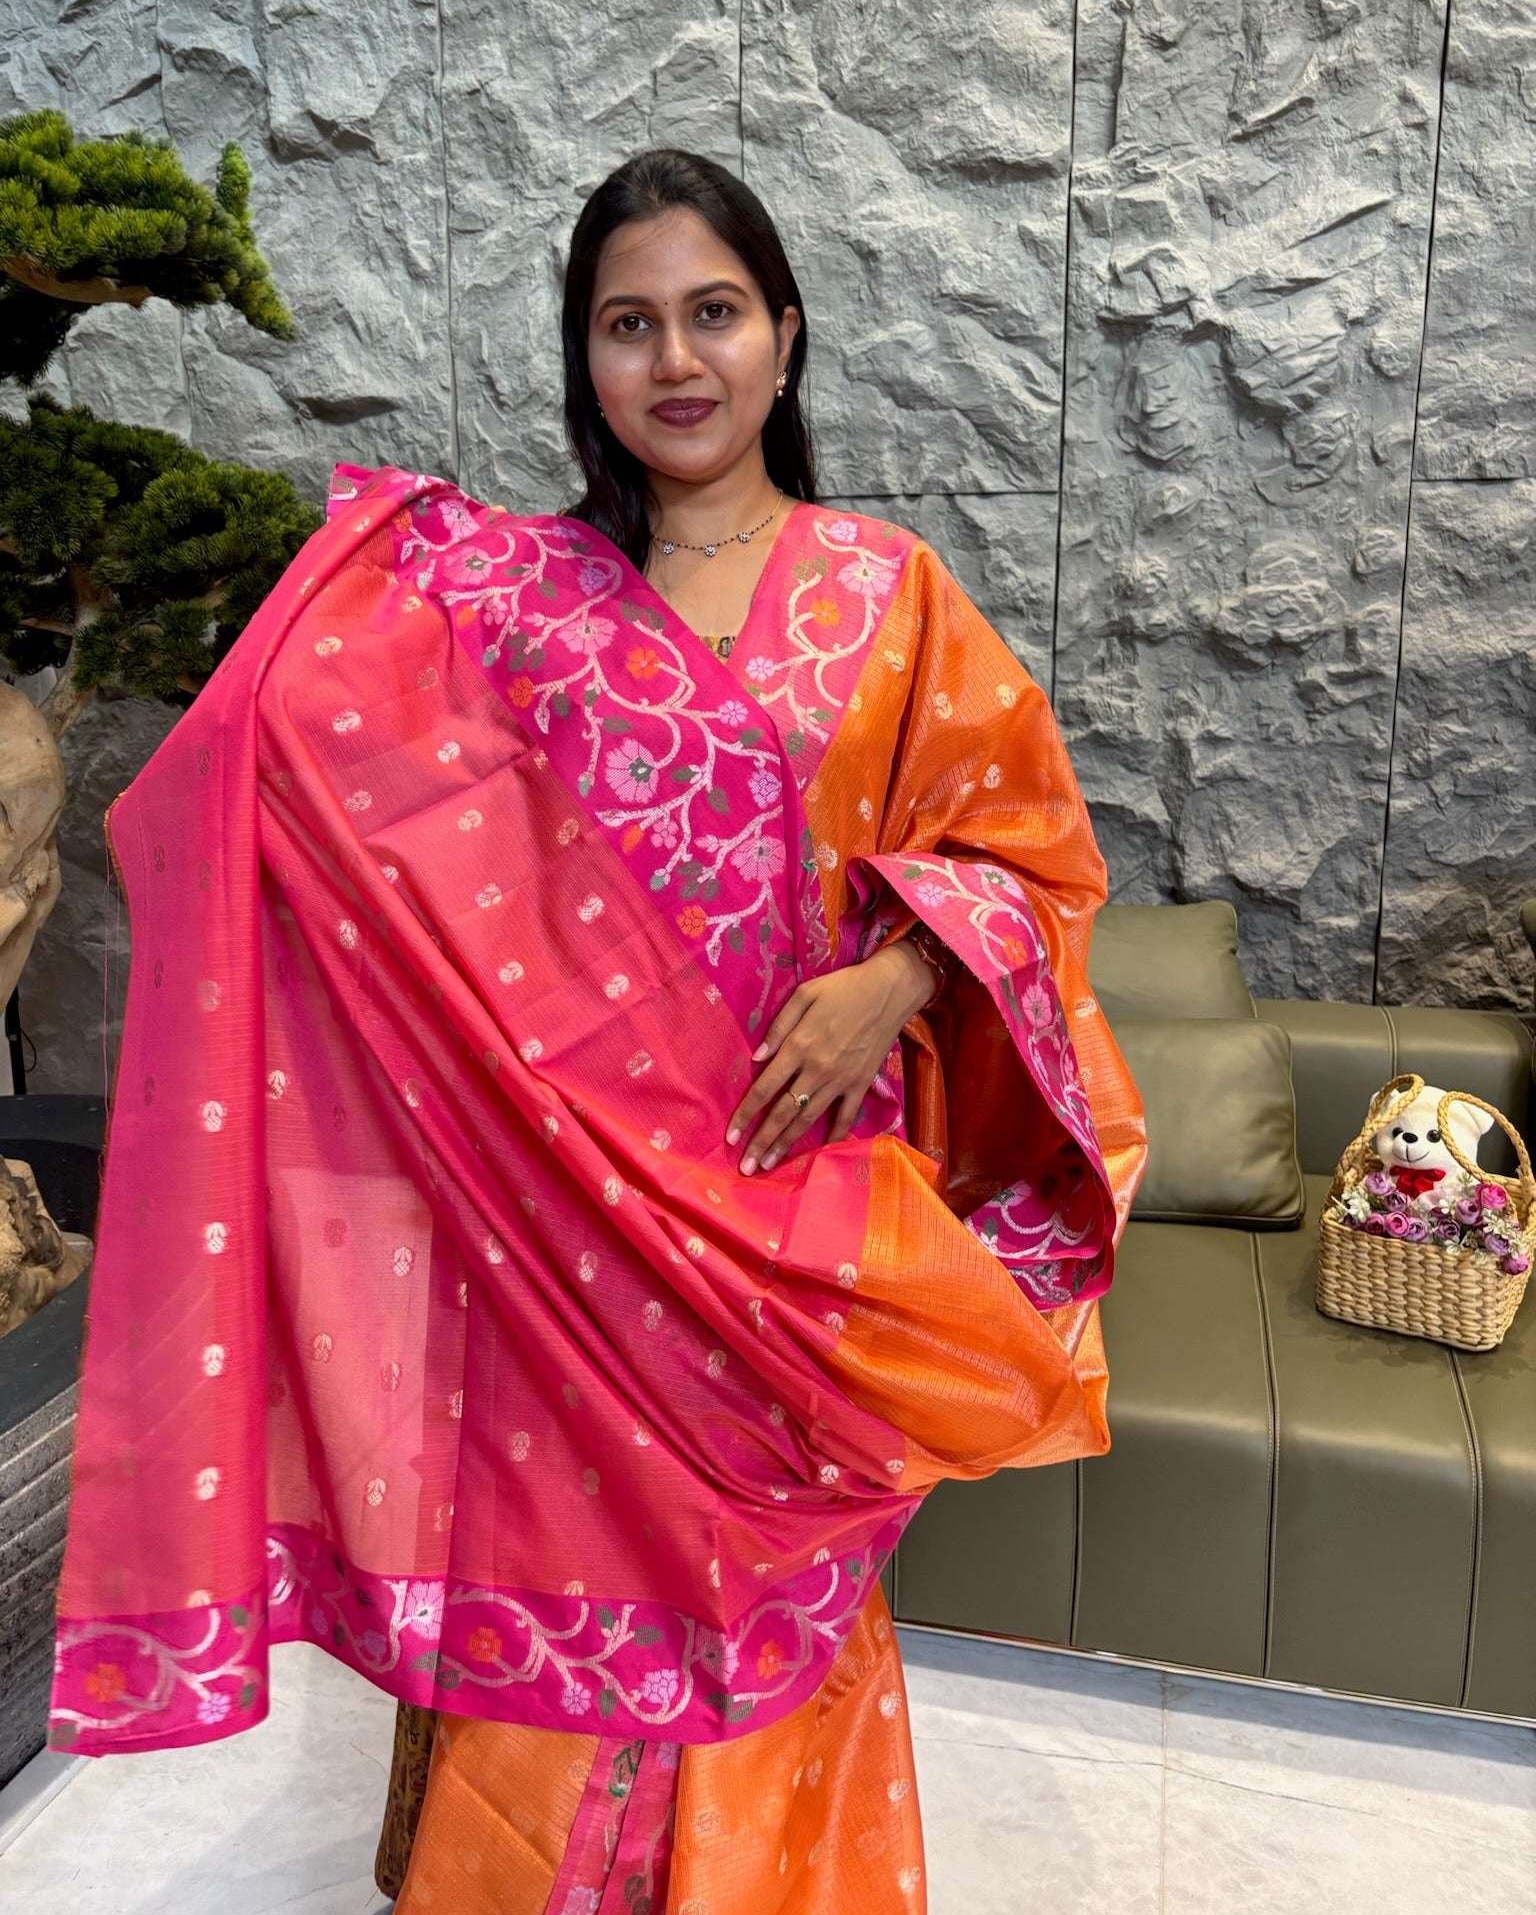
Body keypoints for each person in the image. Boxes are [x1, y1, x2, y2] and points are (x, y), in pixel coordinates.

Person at [49, 150, 1145, 1915]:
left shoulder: (888, 593)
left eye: (714, 313)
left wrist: (901, 974)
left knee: (775, 1633)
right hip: (560, 1245)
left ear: (785, 337)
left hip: (783, 1233)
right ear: (587, 363)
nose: (677, 359)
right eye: (628, 325)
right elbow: (328, 802)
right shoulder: (509, 607)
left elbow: (1029, 856)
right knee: (559, 1634)